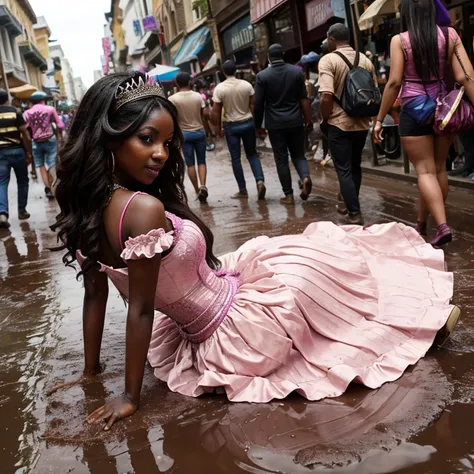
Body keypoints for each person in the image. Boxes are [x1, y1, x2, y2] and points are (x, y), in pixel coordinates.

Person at [50, 71, 459, 430]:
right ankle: (420, 323)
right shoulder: (142, 209)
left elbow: (95, 295)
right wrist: (129, 398)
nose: (161, 153)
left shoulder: (87, 212)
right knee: (326, 282)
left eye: (167, 142)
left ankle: (414, 318)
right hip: (238, 328)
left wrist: (91, 373)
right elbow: (139, 309)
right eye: (147, 139)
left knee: (315, 258)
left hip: (224, 296)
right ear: (109, 138)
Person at [374, 0, 474, 246]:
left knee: (424, 171)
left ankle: (441, 227)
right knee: (438, 169)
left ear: (406, 13)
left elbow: (395, 82)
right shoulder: (450, 35)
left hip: (414, 109)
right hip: (443, 110)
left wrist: (379, 119)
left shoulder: (400, 40)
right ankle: (420, 223)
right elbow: (465, 75)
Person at [318, 24, 378, 225]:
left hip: (339, 122)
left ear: (331, 39)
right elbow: (375, 92)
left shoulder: (328, 60)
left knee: (343, 169)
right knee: (354, 166)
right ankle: (348, 203)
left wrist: (325, 119)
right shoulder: (366, 60)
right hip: (361, 123)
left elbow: (326, 95)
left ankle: (354, 212)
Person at [254, 44, 313, 205]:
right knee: (299, 154)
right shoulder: (296, 72)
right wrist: (308, 119)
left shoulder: (262, 76)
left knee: (281, 159)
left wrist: (258, 126)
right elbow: (303, 98)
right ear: (283, 55)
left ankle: (288, 195)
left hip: (275, 125)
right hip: (295, 121)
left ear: (269, 57)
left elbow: (258, 104)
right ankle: (305, 177)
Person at [211, 60, 266, 201]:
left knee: (236, 159)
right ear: (235, 70)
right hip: (247, 123)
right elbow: (253, 105)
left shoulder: (220, 89)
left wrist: (217, 130)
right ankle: (260, 181)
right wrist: (256, 124)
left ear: (223, 72)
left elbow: (216, 111)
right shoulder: (246, 85)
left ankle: (242, 190)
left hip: (231, 126)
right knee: (252, 154)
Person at [169, 72, 209, 203]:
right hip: (199, 132)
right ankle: (203, 186)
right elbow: (204, 116)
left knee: (190, 163)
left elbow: (172, 119)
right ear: (189, 82)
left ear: (177, 84)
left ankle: (197, 190)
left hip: (184, 134)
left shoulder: (173, 99)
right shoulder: (198, 96)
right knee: (202, 161)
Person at [0, 89, 32, 228]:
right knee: (22, 181)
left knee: (1, 183)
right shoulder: (15, 112)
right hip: (17, 151)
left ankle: (2, 213)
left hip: (0, 153)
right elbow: (24, 133)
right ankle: (22, 210)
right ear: (7, 99)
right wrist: (29, 153)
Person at [24, 91, 64, 199]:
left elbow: (25, 127)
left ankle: (47, 189)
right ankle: (57, 185)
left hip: (36, 142)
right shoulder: (50, 109)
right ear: (43, 100)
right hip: (50, 139)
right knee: (51, 163)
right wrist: (60, 136)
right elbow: (60, 124)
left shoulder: (27, 113)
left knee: (40, 165)